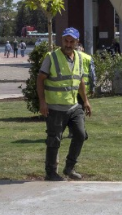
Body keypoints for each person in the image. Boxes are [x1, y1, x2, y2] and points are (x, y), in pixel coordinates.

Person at [37, 27, 91, 181]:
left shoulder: (79, 58)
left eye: (71, 41)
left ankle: (69, 168)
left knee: (80, 135)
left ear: (76, 42)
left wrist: (85, 101)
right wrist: (42, 102)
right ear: (61, 40)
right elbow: (40, 79)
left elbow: (80, 80)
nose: (68, 44)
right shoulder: (51, 57)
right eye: (65, 41)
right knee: (54, 140)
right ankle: (51, 172)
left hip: (74, 107)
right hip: (55, 108)